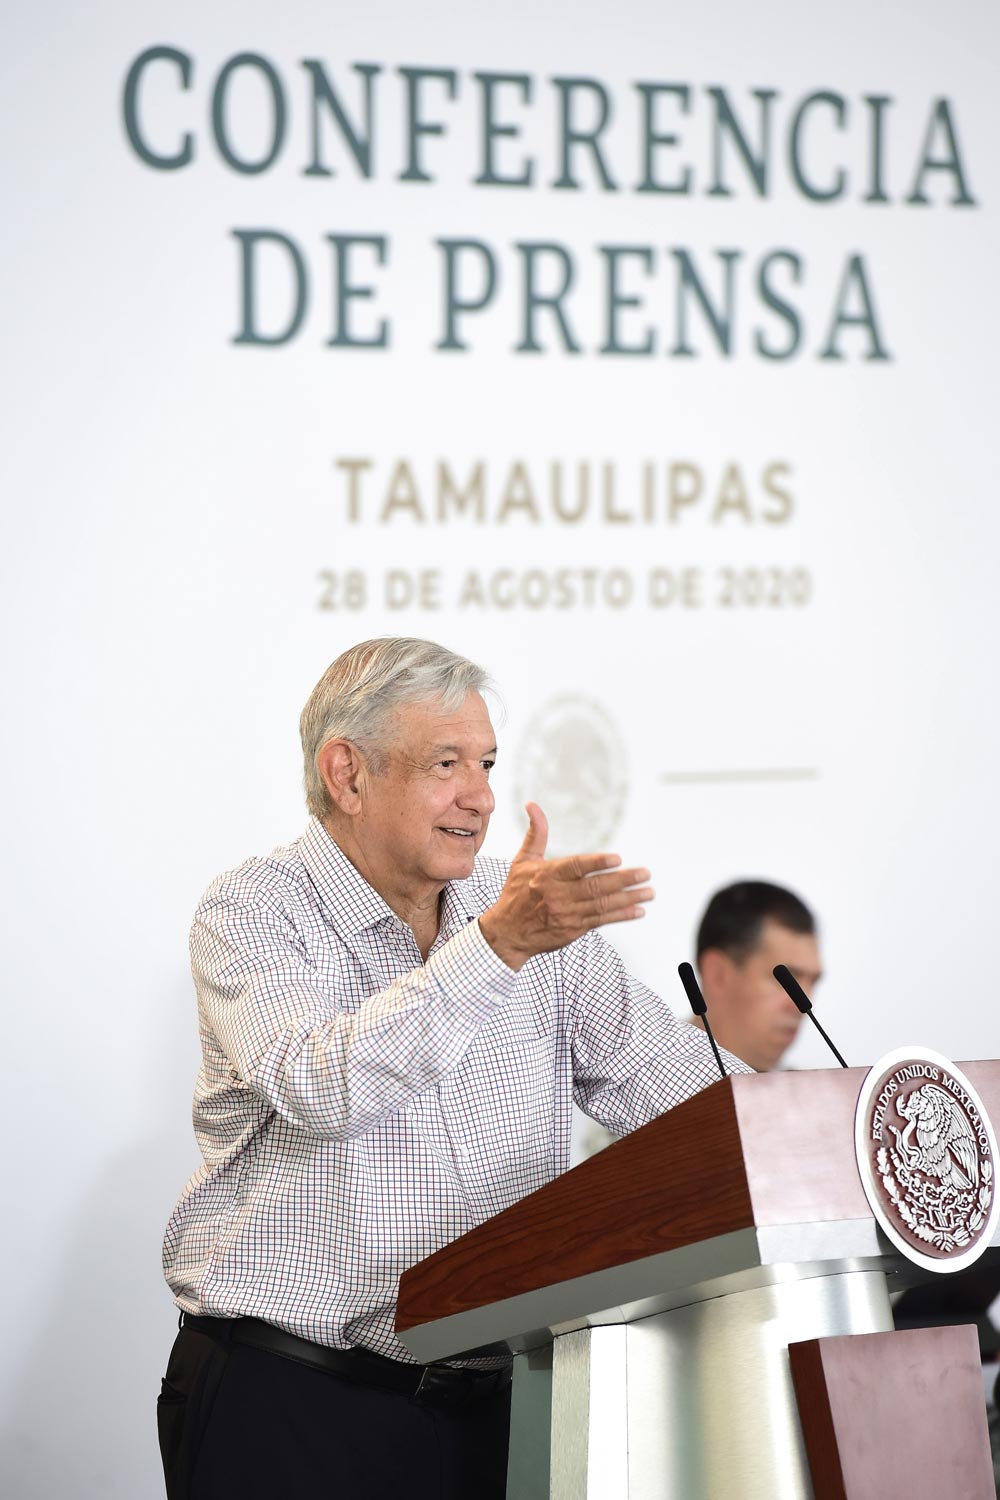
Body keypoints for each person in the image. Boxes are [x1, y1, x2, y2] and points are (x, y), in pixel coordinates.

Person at [157, 636, 749, 1500]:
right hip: (295, 1404)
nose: (479, 797)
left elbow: (680, 1089)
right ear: (347, 775)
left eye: (486, 763)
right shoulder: (253, 910)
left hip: (502, 1417)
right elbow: (326, 1087)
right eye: (446, 764)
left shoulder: (520, 915)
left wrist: (821, 1131)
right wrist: (496, 949)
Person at [693, 879, 822, 1072]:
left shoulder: (812, 1096)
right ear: (717, 975)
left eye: (813, 981)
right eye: (789, 981)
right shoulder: (646, 1087)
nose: (801, 1006)